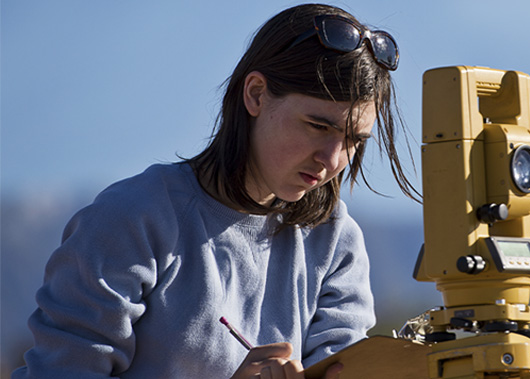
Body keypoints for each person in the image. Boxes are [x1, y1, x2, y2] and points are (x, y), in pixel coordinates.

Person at [12, 3, 418, 378]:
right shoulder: (131, 219)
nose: (332, 158)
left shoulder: (335, 240)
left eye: (353, 140)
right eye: (318, 126)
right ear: (256, 94)